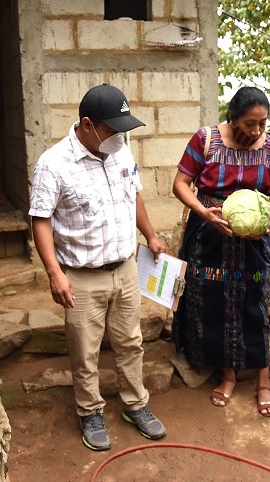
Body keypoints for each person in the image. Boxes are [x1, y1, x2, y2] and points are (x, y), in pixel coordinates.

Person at [29, 83, 167, 451]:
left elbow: (133, 194)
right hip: (81, 275)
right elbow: (40, 219)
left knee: (130, 342)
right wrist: (54, 273)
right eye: (112, 129)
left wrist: (150, 235)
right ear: (87, 125)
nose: (119, 136)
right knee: (85, 350)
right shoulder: (53, 164)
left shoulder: (120, 151)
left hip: (124, 268)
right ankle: (90, 411)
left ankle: (135, 405)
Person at [171, 87, 270, 417]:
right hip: (209, 235)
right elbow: (180, 183)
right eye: (250, 123)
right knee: (215, 301)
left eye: (262, 123)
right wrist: (203, 211)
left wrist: (267, 220)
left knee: (256, 303)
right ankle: (228, 376)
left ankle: (263, 382)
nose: (256, 131)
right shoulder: (205, 139)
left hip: (253, 241)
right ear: (232, 117)